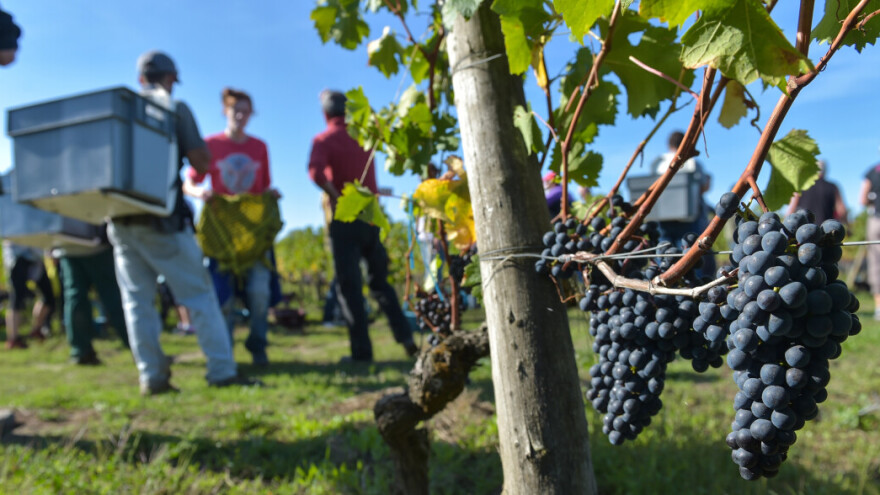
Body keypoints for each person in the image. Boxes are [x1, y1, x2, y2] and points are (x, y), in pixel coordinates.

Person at [107, 51, 257, 395]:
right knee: (199, 295)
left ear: (141, 78)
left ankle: (151, 377)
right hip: (162, 220)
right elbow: (201, 160)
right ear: (170, 78)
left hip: (119, 219)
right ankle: (221, 370)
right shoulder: (175, 109)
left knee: (137, 302)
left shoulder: (120, 108)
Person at [308, 89, 418, 363]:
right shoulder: (363, 137)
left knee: (350, 286)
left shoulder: (323, 139)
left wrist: (336, 196)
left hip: (345, 218)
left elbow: (316, 173)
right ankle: (406, 338)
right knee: (380, 281)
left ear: (325, 113)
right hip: (370, 218)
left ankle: (362, 353)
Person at [183, 87, 280, 366]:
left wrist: (271, 195)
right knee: (222, 298)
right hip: (221, 233)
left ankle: (258, 345)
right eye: (236, 110)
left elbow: (262, 188)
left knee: (259, 293)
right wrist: (200, 192)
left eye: (246, 111)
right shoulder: (211, 145)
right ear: (225, 111)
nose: (240, 116)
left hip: (252, 234)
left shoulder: (259, 147)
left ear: (251, 115)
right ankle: (225, 352)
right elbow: (189, 182)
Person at [53, 226, 130, 365]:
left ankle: (81, 350)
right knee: (112, 297)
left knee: (76, 298)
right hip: (90, 245)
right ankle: (135, 343)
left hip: (70, 245)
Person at [652, 131, 715, 277]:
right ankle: (692, 287)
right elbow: (702, 187)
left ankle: (663, 283)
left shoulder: (658, 163)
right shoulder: (692, 162)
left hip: (663, 219)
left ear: (669, 145)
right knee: (690, 258)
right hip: (689, 219)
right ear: (685, 144)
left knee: (664, 256)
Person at [3, 243, 53, 349]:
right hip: (18, 257)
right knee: (17, 299)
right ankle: (13, 339)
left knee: (48, 297)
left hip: (36, 257)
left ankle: (36, 329)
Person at [788, 160, 847, 224]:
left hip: (803, 228)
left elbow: (791, 209)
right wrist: (847, 225)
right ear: (825, 171)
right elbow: (841, 211)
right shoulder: (833, 187)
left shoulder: (801, 186)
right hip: (825, 228)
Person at [859, 161, 880, 320]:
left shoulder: (873, 171)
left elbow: (863, 200)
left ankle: (879, 307)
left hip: (877, 221)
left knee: (876, 262)